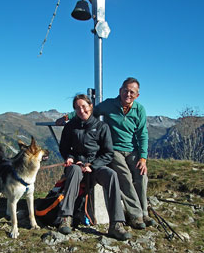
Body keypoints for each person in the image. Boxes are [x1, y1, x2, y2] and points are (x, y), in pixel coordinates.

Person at [57, 77, 156, 229]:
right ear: (120, 91)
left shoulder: (139, 110)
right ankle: (135, 216)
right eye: (125, 90)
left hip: (132, 150)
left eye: (132, 92)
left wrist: (143, 158)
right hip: (114, 148)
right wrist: (68, 116)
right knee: (125, 176)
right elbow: (87, 110)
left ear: (137, 95)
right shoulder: (109, 104)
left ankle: (144, 213)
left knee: (141, 176)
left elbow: (142, 134)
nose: (128, 94)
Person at [57, 94, 131, 241]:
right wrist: (70, 157)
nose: (81, 110)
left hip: (95, 165)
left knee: (111, 175)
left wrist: (93, 165)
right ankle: (66, 218)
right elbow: (64, 148)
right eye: (77, 108)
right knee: (73, 171)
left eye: (84, 106)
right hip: (77, 164)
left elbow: (108, 153)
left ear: (90, 106)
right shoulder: (70, 127)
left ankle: (116, 224)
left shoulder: (102, 127)